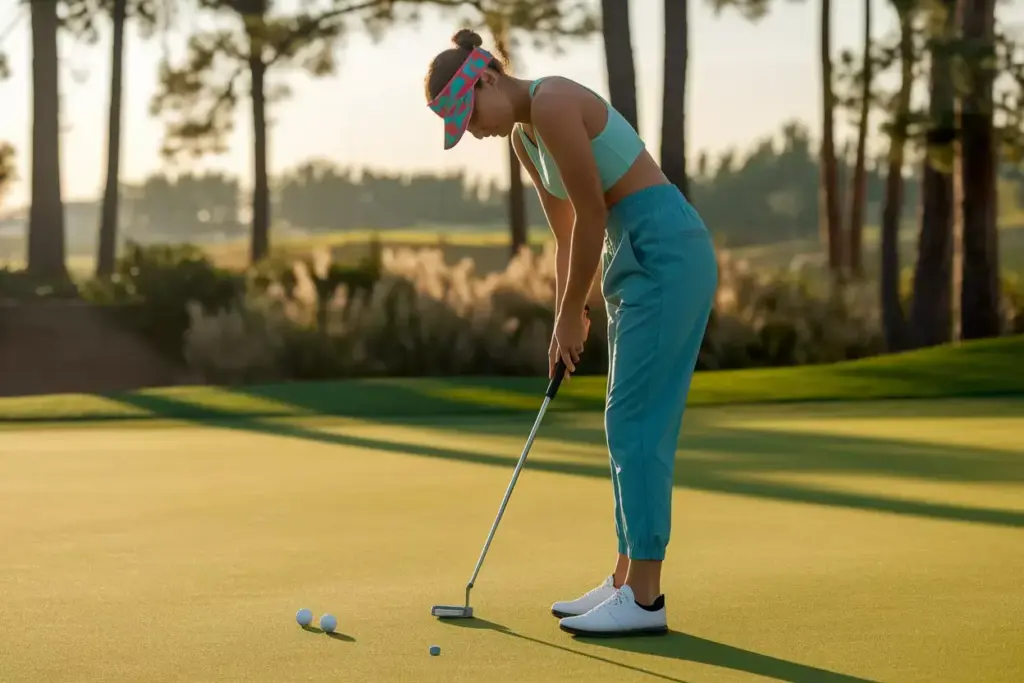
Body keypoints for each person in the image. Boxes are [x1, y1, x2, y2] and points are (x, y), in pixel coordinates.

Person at [424, 29, 718, 637]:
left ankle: (643, 597)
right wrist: (565, 317)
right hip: (632, 259)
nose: (471, 131)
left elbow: (594, 211)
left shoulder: (554, 102)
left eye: (468, 116)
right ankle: (622, 580)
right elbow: (565, 233)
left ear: (485, 79)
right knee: (624, 418)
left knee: (635, 419)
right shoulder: (526, 139)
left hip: (663, 249)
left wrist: (572, 312)